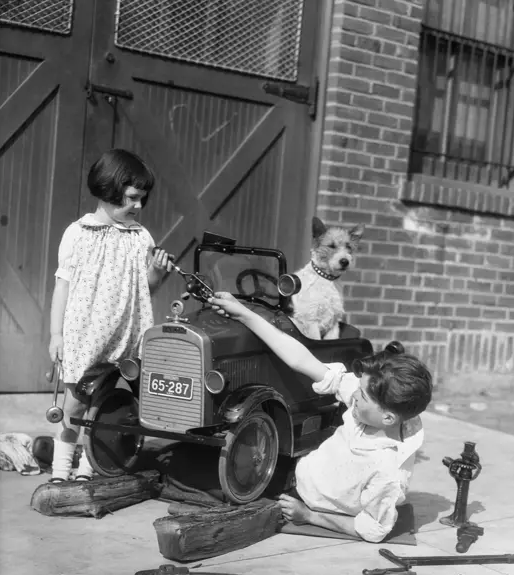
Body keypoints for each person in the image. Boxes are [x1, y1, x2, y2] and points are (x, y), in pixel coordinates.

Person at [208, 292, 433, 543]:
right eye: (358, 386)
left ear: (389, 418)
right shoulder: (377, 408)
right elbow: (302, 360)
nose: (354, 395)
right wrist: (242, 313)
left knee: (200, 481)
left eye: (363, 395)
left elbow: (374, 530)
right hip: (299, 471)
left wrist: (309, 516)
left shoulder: (387, 472)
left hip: (303, 499)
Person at [48, 149, 173, 483]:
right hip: (84, 338)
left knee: (103, 410)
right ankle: (60, 471)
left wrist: (158, 273)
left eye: (142, 199)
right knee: (74, 407)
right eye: (133, 198)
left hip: (123, 340)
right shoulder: (78, 234)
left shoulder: (139, 237)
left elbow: (146, 288)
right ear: (108, 189)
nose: (139, 206)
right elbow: (62, 286)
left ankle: (90, 469)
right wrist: (55, 335)